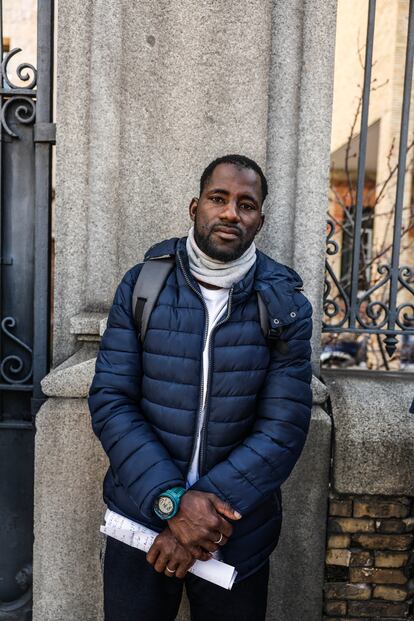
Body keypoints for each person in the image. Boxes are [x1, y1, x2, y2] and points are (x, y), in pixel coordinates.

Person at [88, 154, 313, 621]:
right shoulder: (144, 283)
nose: (232, 213)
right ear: (195, 207)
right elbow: (112, 401)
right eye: (219, 198)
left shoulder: (286, 304)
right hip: (141, 519)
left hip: (234, 532)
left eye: (246, 205)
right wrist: (171, 503)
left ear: (260, 220)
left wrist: (200, 518)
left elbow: (284, 426)